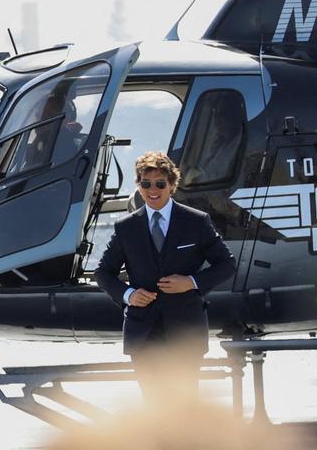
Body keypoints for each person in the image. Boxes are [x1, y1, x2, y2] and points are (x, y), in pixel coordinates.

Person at [95, 151, 236, 400]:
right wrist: (128, 294)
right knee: (154, 408)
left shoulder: (196, 222)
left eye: (160, 184)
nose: (153, 190)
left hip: (185, 333)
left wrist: (191, 282)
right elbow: (103, 273)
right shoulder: (126, 227)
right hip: (143, 334)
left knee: (184, 406)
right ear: (138, 187)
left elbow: (226, 265)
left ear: (172, 185)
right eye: (145, 184)